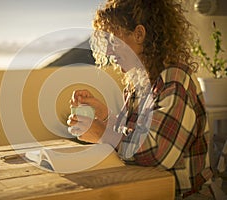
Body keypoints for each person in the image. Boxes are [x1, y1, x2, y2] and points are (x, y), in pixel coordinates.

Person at [67, 0, 214, 199]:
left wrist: (102, 132)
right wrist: (104, 116)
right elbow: (131, 137)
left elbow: (156, 154)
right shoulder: (139, 82)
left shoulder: (175, 82)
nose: (109, 52)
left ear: (139, 34)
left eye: (113, 41)